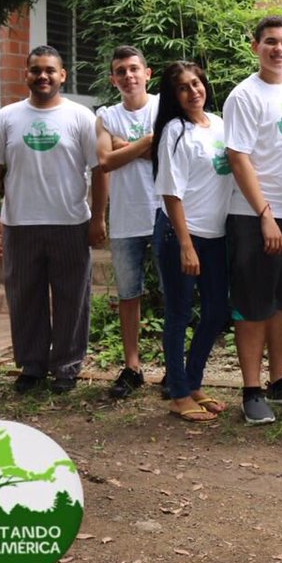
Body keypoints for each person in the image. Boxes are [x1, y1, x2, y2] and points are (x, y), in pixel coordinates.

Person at [0, 45, 107, 394]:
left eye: (50, 70)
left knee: (72, 298)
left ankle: (66, 366)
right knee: (25, 296)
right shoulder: (6, 118)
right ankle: (32, 365)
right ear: (26, 75)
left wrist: (98, 218)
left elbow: (100, 170)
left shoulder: (81, 117)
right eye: (36, 70)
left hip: (70, 222)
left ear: (62, 75)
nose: (43, 76)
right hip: (20, 223)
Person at [224, 16, 282, 425]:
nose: (278, 49)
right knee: (253, 305)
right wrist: (265, 214)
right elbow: (238, 158)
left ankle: (280, 383)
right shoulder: (243, 96)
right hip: (254, 217)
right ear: (255, 47)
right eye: (270, 42)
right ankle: (251, 391)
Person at [151, 62, 233, 422]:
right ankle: (179, 394)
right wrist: (185, 244)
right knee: (179, 313)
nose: (193, 91)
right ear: (174, 95)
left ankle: (193, 382)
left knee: (217, 310)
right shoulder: (174, 131)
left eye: (197, 83)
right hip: (180, 234)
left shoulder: (219, 124)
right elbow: (171, 193)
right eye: (183, 87)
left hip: (216, 236)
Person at [95, 46, 158, 399]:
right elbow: (104, 162)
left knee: (174, 294)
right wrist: (146, 143)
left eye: (134, 69)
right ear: (113, 78)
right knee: (129, 295)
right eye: (121, 71)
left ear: (147, 73)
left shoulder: (165, 106)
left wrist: (127, 146)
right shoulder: (105, 115)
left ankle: (174, 369)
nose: (129, 76)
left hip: (165, 214)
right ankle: (132, 367)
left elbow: (167, 151)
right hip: (125, 219)